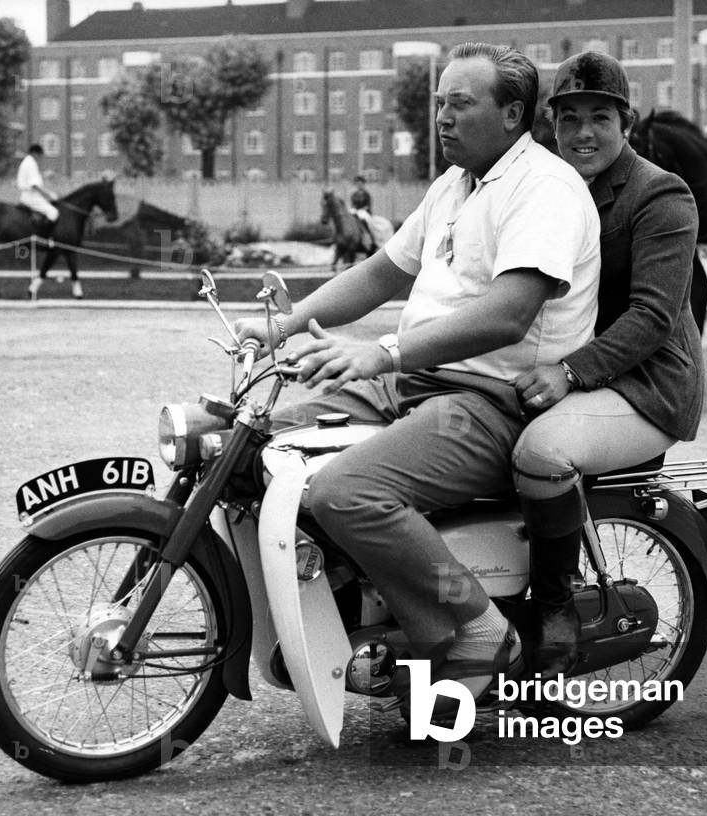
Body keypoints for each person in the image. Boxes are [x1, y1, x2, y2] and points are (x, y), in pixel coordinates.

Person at [235, 42, 601, 715]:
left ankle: (477, 627)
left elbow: (507, 314)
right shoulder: (455, 184)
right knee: (250, 447)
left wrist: (384, 352)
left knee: (344, 491)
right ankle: (362, 617)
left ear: (513, 113)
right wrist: (285, 325)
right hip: (416, 385)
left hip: (489, 401)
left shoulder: (543, 189)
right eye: (438, 104)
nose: (441, 118)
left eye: (459, 104)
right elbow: (380, 274)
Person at [512, 51, 703, 678]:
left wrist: (567, 372)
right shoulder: (548, 189)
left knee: (541, 453)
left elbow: (651, 317)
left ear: (628, 123)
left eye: (600, 117)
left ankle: (556, 611)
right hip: (576, 371)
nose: (584, 134)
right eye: (569, 120)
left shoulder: (661, 195)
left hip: (648, 383)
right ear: (552, 125)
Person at [17, 144, 59, 237]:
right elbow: (35, 185)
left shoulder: (27, 162)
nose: (40, 159)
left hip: (28, 194)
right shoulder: (31, 163)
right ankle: (44, 236)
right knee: (53, 213)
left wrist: (45, 175)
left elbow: (34, 179)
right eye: (40, 156)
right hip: (31, 196)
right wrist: (49, 195)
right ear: (35, 153)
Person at [349, 175, 377, 251]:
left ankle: (370, 237)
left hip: (364, 211)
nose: (359, 185)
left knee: (365, 219)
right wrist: (353, 209)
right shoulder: (354, 194)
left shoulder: (366, 194)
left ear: (363, 184)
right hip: (356, 211)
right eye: (357, 183)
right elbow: (353, 204)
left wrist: (362, 209)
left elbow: (368, 205)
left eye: (360, 183)